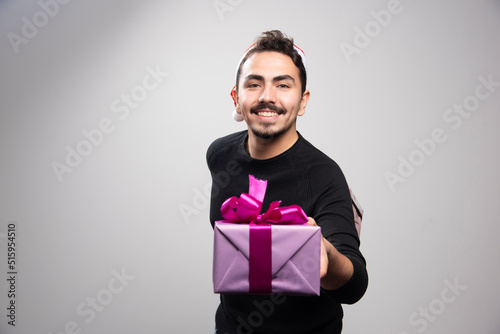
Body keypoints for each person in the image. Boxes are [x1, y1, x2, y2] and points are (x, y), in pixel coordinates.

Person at [206, 30, 368, 334]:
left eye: (283, 85)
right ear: (236, 98)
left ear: (302, 100)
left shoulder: (325, 176)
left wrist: (326, 254)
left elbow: (354, 285)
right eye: (254, 84)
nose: (267, 96)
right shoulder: (219, 154)